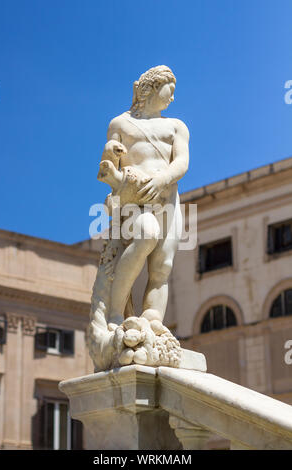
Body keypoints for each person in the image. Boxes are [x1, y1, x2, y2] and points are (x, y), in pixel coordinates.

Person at [103, 65, 190, 327]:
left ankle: (152, 318)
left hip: (168, 199)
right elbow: (109, 167)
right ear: (153, 87)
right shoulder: (120, 123)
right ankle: (116, 314)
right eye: (169, 90)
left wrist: (162, 179)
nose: (172, 98)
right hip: (134, 199)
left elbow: (182, 162)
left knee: (162, 264)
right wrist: (110, 150)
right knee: (146, 235)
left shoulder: (176, 127)